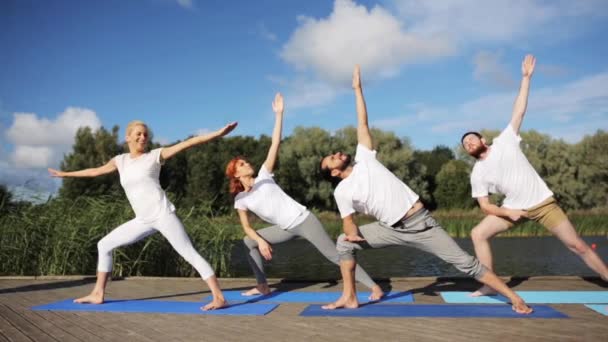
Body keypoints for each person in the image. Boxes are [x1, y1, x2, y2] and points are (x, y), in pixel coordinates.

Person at [319, 65, 532, 314]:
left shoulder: (364, 157)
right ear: (334, 173)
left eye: (333, 154)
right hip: (389, 229)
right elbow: (348, 221)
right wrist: (350, 232)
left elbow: (362, 124)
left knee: (467, 264)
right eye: (331, 159)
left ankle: (512, 297)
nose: (336, 154)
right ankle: (350, 296)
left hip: (421, 224)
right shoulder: (341, 192)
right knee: (343, 243)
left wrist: (357, 89)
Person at [48, 120, 238, 310]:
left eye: (145, 134)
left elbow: (188, 143)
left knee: (189, 253)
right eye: (138, 134)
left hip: (163, 215)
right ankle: (98, 294)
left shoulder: (155, 156)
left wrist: (217, 134)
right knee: (104, 244)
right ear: (128, 137)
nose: (142, 137)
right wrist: (66, 174)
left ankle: (219, 297)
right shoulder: (120, 161)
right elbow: (95, 172)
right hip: (142, 220)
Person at [461, 54, 608, 296]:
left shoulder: (505, 140)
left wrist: (526, 78)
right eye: (465, 143)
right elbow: (486, 206)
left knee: (576, 245)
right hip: (514, 208)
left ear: (482, 140)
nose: (468, 143)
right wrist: (509, 212)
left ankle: (605, 275)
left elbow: (519, 111)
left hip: (543, 204)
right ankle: (490, 284)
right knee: (478, 233)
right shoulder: (477, 173)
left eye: (471, 138)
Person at [225, 93, 383, 299]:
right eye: (242, 164)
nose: (247, 164)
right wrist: (261, 241)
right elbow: (246, 227)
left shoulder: (264, 175)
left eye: (246, 161)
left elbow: (275, 143)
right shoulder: (241, 199)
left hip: (304, 220)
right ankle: (262, 286)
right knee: (249, 241)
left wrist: (279, 114)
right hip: (285, 229)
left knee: (334, 256)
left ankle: (374, 287)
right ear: (237, 174)